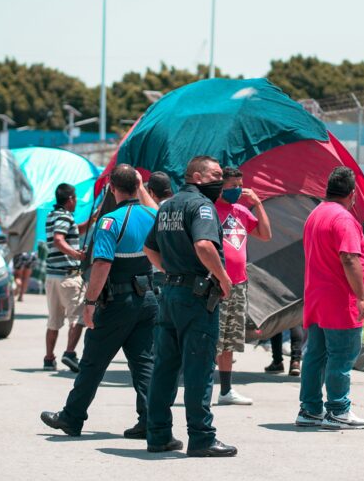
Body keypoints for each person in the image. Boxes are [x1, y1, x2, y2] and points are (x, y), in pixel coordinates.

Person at [40, 165, 160, 439]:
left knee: (93, 362)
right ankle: (151, 421)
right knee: (144, 364)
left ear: (112, 189)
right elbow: (154, 209)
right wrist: (140, 185)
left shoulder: (111, 221)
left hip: (117, 301)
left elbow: (102, 265)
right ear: (138, 186)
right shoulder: (152, 215)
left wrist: (90, 303)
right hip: (148, 299)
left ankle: (72, 418)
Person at [143, 156, 237, 457]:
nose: (220, 181)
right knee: (198, 368)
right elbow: (204, 245)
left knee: (165, 368)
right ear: (196, 176)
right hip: (196, 298)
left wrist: (170, 272)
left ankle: (158, 435)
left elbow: (149, 248)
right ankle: (201, 437)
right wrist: (223, 279)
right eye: (215, 175)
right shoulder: (202, 206)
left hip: (169, 293)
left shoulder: (168, 206)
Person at [296, 166, 364, 430]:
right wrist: (361, 297)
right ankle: (338, 410)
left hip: (317, 299)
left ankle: (309, 409)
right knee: (342, 356)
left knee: (315, 356)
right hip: (340, 300)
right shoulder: (343, 219)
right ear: (352, 194)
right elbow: (349, 258)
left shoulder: (316, 214)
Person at [214, 166, 273, 405]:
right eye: (232, 186)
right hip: (217, 283)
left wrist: (257, 204)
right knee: (212, 338)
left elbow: (265, 234)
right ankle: (200, 387)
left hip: (239, 284)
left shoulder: (240, 211)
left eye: (240, 185)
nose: (237, 190)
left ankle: (226, 391)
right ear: (220, 186)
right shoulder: (210, 210)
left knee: (230, 339)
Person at [43, 183, 91, 372]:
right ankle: (70, 353)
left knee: (53, 320)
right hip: (68, 277)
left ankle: (49, 358)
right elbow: (59, 238)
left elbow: (73, 231)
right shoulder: (64, 216)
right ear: (70, 198)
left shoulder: (53, 215)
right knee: (78, 318)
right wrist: (76, 254)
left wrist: (92, 220)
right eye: (75, 198)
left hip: (52, 276)